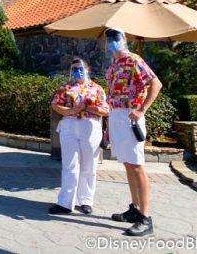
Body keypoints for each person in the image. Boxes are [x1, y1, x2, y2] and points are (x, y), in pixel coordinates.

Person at [105, 28, 163, 237]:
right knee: (128, 164)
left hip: (130, 117)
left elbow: (156, 83)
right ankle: (135, 209)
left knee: (137, 165)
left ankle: (146, 218)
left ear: (124, 39)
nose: (112, 41)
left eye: (116, 37)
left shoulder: (134, 60)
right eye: (109, 38)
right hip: (116, 116)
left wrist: (142, 110)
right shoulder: (114, 64)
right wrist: (108, 127)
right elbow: (112, 95)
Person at [49, 58, 108, 215]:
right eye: (74, 69)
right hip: (69, 125)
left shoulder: (97, 88)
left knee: (89, 165)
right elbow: (55, 104)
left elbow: (105, 110)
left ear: (88, 69)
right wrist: (71, 111)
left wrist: (87, 107)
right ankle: (65, 202)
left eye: (80, 68)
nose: (77, 71)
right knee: (70, 165)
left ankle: (86, 201)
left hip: (90, 126)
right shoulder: (66, 87)